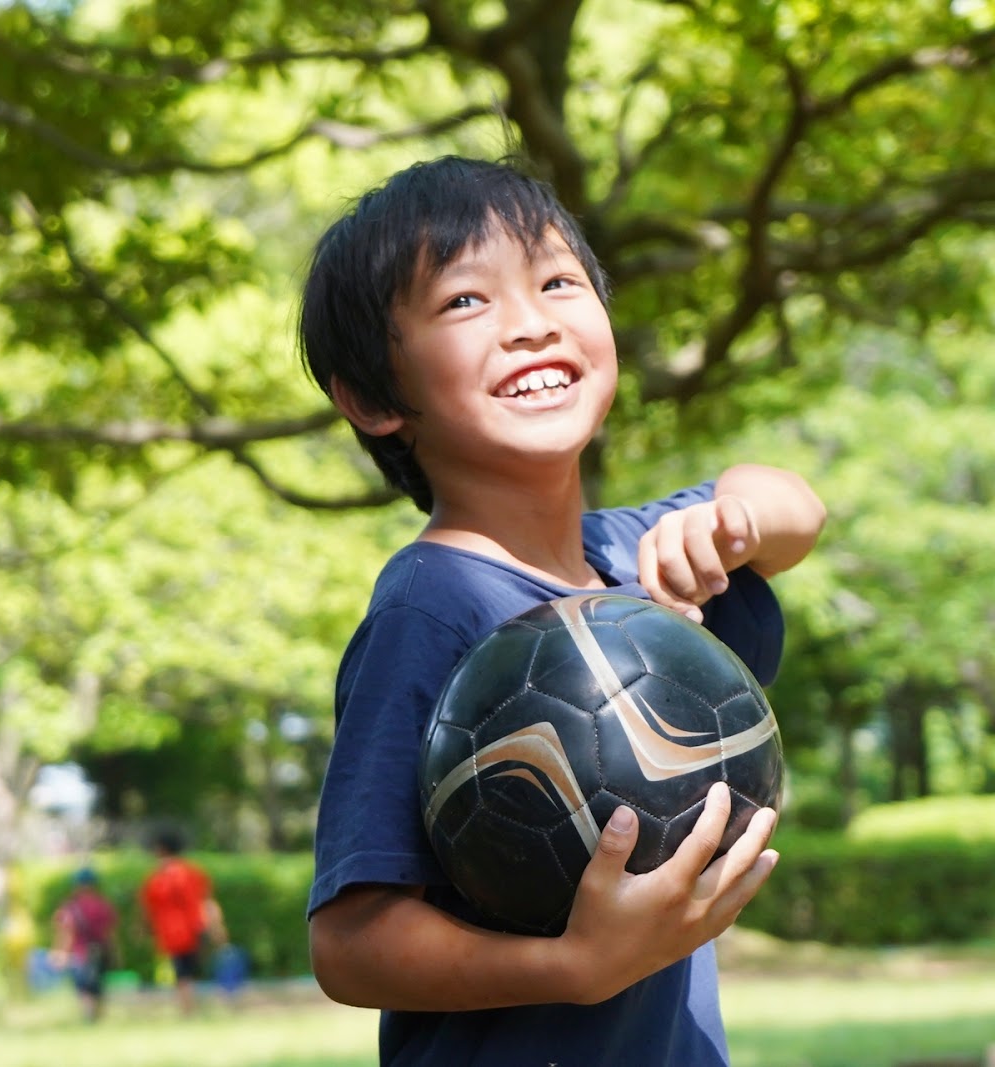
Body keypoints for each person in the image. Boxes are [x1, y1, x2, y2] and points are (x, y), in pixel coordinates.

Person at [298, 154, 826, 1066]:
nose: (531, 324)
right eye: (467, 301)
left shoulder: (637, 557)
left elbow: (796, 505)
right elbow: (350, 942)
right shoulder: (432, 607)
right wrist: (573, 966)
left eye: (556, 281)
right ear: (374, 397)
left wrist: (736, 524)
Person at [140, 829, 225, 1015]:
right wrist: (216, 927)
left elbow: (148, 909)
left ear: (161, 849)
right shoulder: (193, 872)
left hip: (172, 933)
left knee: (182, 973)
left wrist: (145, 930)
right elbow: (206, 901)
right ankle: (196, 1006)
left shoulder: (156, 878)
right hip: (196, 928)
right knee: (193, 971)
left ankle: (187, 1009)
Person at [50, 866, 118, 1023]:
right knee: (97, 986)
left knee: (83, 988)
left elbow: (66, 933)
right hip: (100, 951)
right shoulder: (103, 906)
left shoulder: (70, 908)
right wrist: (114, 954)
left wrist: (60, 953)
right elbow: (110, 934)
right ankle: (98, 1017)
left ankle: (89, 1018)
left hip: (79, 953)